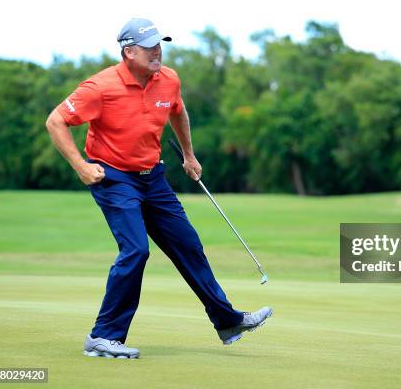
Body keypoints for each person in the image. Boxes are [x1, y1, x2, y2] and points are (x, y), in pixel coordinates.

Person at [45, 18, 272, 359]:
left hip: (154, 178)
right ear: (128, 51)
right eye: (149, 46)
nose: (157, 51)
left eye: (159, 44)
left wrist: (190, 156)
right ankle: (103, 337)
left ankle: (227, 322)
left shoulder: (168, 79)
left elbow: (178, 112)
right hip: (114, 177)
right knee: (136, 250)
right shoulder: (99, 87)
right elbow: (56, 121)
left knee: (188, 245)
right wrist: (80, 165)